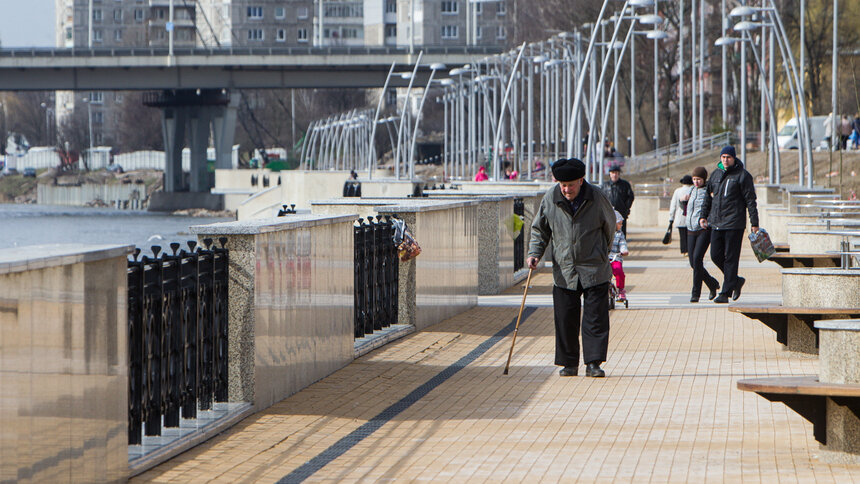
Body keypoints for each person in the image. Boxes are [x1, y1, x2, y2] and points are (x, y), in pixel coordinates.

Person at [528, 158, 616, 378]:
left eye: (571, 185)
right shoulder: (551, 198)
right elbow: (540, 229)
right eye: (563, 185)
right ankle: (569, 363)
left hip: (594, 268)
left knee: (595, 319)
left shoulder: (596, 197)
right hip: (564, 269)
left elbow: (610, 227)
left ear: (581, 180)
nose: (567, 189)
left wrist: (601, 253)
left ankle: (594, 363)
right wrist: (534, 253)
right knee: (565, 317)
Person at [699, 146, 759, 304]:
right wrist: (703, 216)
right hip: (716, 222)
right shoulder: (716, 174)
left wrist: (755, 222)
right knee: (715, 255)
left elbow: (750, 201)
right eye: (723, 157)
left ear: (734, 158)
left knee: (731, 259)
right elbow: (708, 197)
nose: (725, 160)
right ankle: (736, 281)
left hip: (734, 223)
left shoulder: (742, 176)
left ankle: (725, 292)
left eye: (728, 157)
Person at [684, 167, 720, 302]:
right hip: (690, 228)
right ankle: (712, 283)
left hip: (704, 229)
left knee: (698, 258)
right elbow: (687, 208)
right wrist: (683, 202)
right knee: (693, 263)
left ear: (704, 179)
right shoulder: (692, 190)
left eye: (699, 179)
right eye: (694, 179)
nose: (696, 182)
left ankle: (695, 293)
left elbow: (711, 207)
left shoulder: (708, 191)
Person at [601, 166, 635, 236]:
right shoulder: (605, 186)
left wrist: (626, 207)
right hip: (608, 214)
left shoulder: (625, 185)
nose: (614, 175)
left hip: (621, 213)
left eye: (616, 173)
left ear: (619, 174)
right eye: (613, 173)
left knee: (621, 234)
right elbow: (601, 199)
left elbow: (630, 197)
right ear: (610, 174)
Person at [668, 175, 694, 254]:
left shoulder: (677, 191)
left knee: (682, 236)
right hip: (692, 218)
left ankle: (684, 251)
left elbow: (673, 205)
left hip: (681, 218)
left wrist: (671, 218)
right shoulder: (694, 190)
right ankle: (690, 250)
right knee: (691, 236)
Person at [609, 210, 629, 301]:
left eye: (621, 224)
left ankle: (621, 290)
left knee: (618, 271)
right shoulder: (605, 233)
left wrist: (623, 250)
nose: (621, 226)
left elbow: (622, 243)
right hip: (604, 257)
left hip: (615, 257)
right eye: (619, 224)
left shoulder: (619, 234)